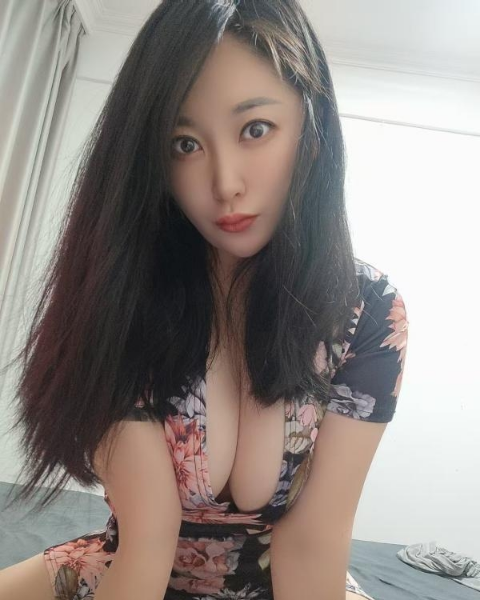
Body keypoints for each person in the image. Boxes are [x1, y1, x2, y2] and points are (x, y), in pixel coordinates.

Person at [0, 1, 409, 599]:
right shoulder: (122, 298)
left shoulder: (368, 312)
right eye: (185, 143)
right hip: (133, 563)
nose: (225, 184)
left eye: (255, 130)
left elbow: (314, 538)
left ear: (312, 131)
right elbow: (148, 540)